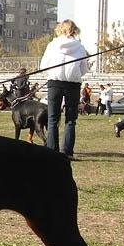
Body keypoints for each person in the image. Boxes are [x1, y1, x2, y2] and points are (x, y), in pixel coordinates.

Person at [39, 19, 89, 160]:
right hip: (73, 84)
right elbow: (84, 68)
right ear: (75, 30)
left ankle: (51, 151)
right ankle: (67, 151)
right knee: (71, 119)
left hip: (54, 82)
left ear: (60, 29)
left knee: (52, 118)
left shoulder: (52, 45)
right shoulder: (80, 47)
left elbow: (44, 66)